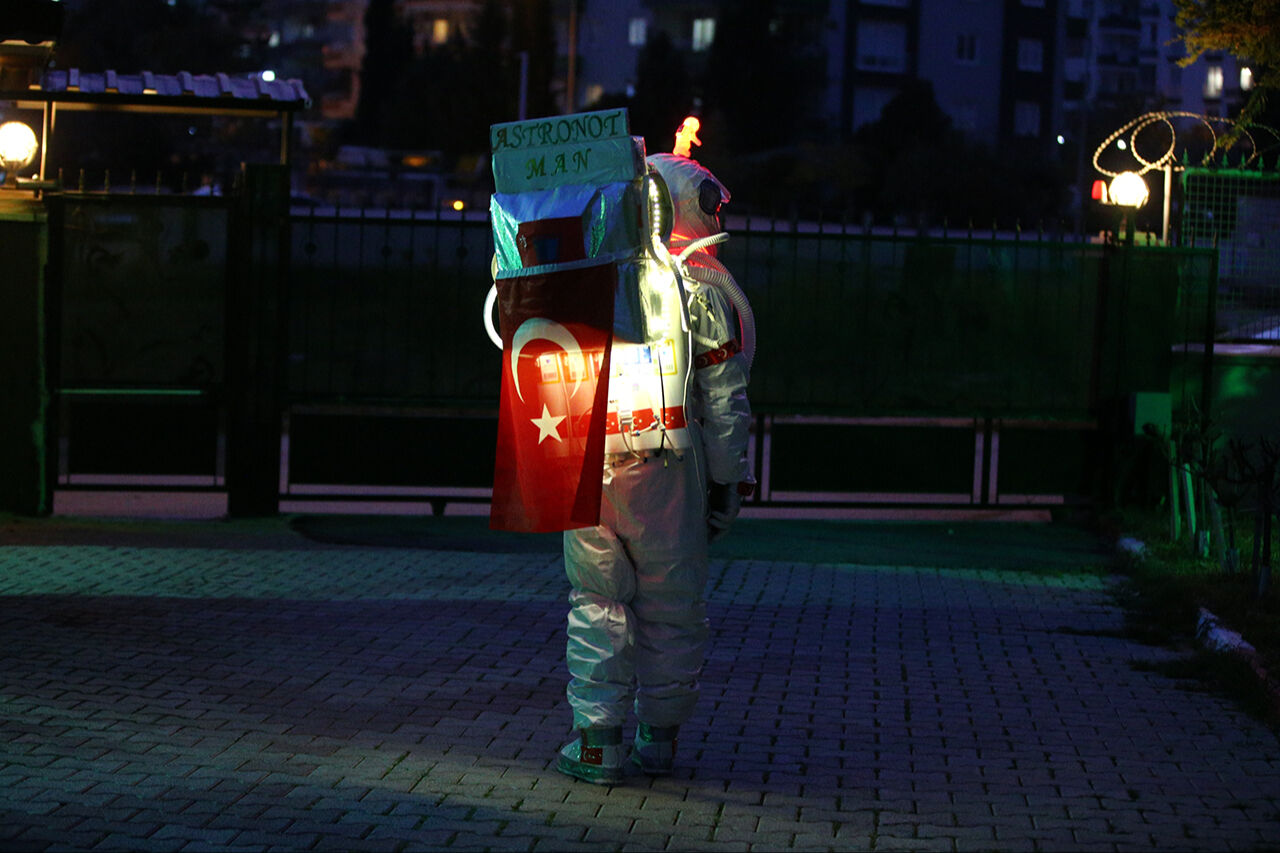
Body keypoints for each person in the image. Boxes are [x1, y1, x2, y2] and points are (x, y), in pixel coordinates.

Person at [556, 150, 754, 785]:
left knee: (596, 600)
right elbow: (724, 397)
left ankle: (596, 743)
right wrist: (728, 480)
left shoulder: (582, 277)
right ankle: (658, 739)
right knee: (671, 606)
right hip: (669, 468)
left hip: (588, 458)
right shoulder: (700, 289)